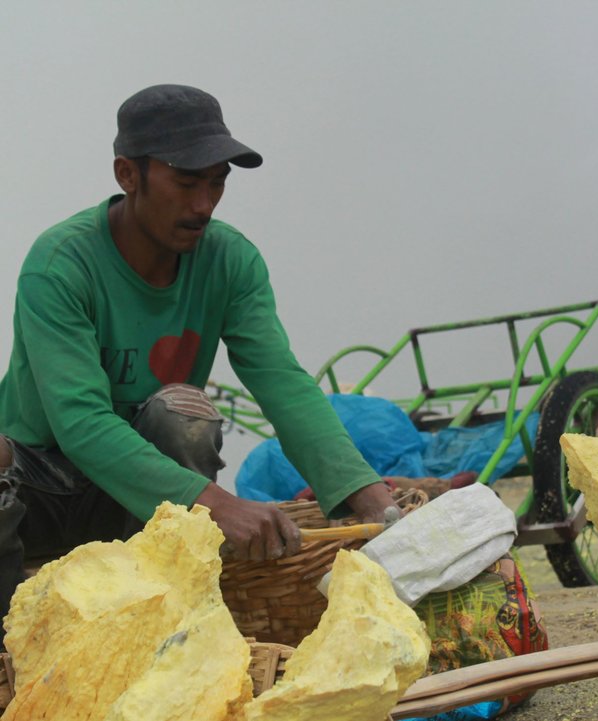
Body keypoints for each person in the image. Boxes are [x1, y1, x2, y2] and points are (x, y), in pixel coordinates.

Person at [0, 84, 397, 631]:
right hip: (40, 485)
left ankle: (182, 608)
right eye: (186, 183)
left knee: (183, 413)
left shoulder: (229, 261)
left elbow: (281, 381)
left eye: (217, 184)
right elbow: (80, 424)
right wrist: (218, 505)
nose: (202, 205)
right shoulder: (61, 265)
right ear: (127, 175)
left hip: (144, 500)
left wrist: (363, 492)